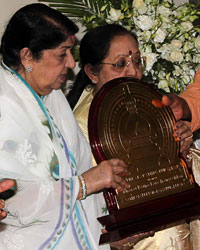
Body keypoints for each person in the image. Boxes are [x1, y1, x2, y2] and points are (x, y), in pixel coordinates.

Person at [0, 4, 140, 250]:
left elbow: (80, 172)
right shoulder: (4, 106)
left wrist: (108, 234)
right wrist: (83, 184)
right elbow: (12, 202)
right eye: (62, 53)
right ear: (28, 56)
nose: (72, 63)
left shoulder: (53, 97)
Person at [67, 24, 195, 249]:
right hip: (122, 224)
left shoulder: (144, 99)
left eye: (137, 61)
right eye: (120, 64)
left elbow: (163, 165)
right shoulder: (81, 125)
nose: (133, 72)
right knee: (167, 235)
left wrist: (180, 147)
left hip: (161, 202)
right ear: (91, 73)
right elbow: (91, 198)